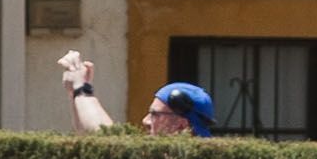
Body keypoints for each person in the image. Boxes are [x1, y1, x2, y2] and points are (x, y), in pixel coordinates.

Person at [59, 51, 214, 137]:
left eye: (154, 114)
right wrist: (75, 93)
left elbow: (111, 141)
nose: (145, 121)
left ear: (181, 125)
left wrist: (82, 89)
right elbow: (88, 134)